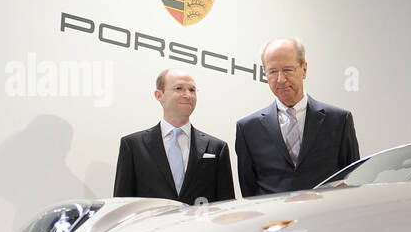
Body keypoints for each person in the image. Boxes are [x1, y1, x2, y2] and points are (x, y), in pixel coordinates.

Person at [235, 37, 360, 196]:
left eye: (287, 70)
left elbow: (352, 178)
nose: (281, 79)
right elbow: (249, 190)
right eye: (273, 71)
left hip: (326, 217)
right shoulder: (248, 129)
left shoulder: (338, 120)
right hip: (274, 219)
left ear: (304, 70)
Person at [113, 67, 235, 204]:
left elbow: (226, 206)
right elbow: (121, 205)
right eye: (179, 88)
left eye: (192, 90)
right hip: (151, 224)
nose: (187, 95)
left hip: (200, 225)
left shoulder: (217, 148)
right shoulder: (133, 146)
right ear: (159, 95)